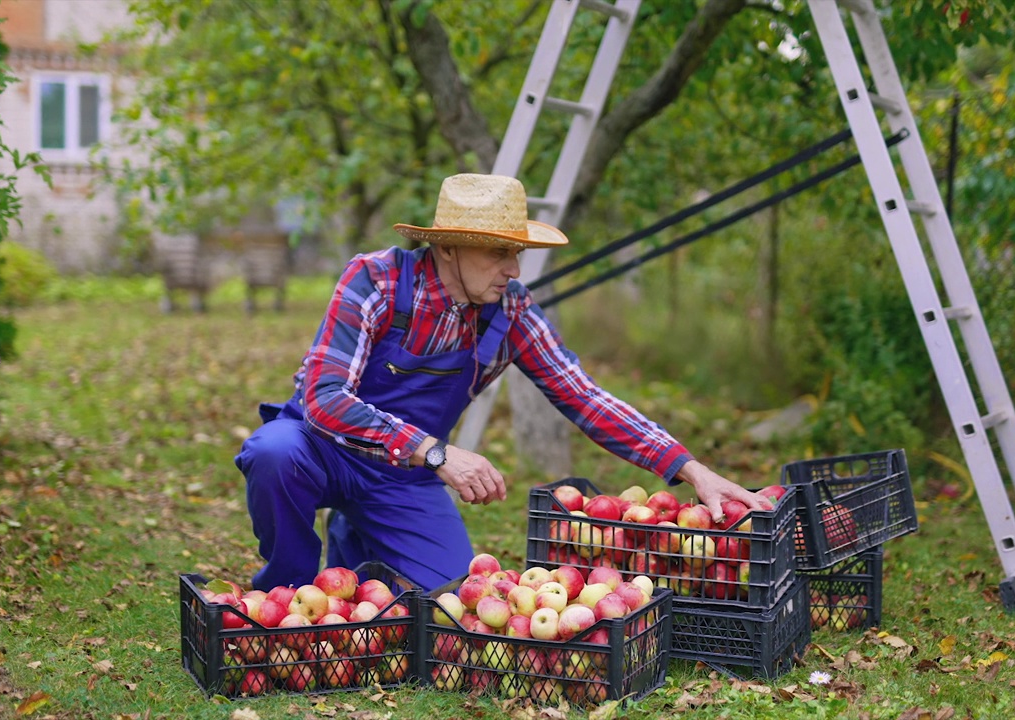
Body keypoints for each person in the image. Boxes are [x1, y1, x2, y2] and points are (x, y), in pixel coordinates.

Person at [236, 173, 773, 592]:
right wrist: (437, 453)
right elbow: (324, 399)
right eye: (498, 251)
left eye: (516, 252)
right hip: (324, 449)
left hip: (401, 479)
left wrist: (691, 469)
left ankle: (357, 538)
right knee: (274, 451)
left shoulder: (509, 310)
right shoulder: (375, 279)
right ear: (448, 248)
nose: (513, 267)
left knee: (450, 598)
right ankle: (289, 584)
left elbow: (583, 396)